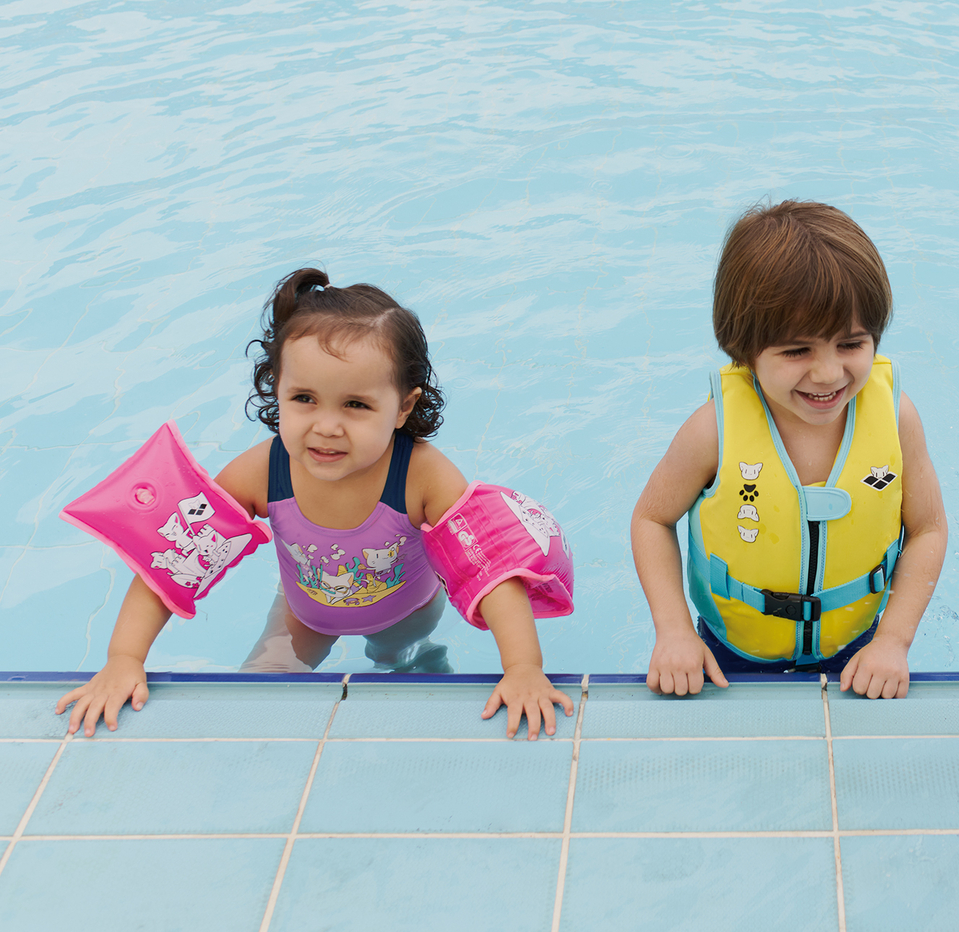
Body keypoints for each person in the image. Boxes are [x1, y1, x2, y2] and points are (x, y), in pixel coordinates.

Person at [57, 268, 573, 738]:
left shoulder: (421, 475)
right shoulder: (263, 470)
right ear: (276, 389)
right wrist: (124, 658)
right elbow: (174, 562)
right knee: (255, 699)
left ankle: (417, 669)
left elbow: (491, 573)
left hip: (407, 614)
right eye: (304, 398)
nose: (326, 425)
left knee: (410, 679)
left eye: (355, 404)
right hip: (304, 616)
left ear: (403, 406)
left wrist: (523, 668)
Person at [631, 201, 947, 700]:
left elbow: (928, 529)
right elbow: (651, 519)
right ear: (745, 350)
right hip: (731, 651)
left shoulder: (894, 416)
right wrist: (674, 632)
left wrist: (892, 641)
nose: (827, 374)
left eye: (851, 344)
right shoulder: (714, 431)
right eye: (797, 351)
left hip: (859, 648)